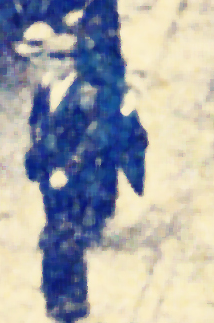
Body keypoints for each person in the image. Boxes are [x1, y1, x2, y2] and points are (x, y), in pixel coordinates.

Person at [23, 27, 148, 323]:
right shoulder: (45, 90)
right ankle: (54, 294)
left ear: (70, 61)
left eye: (58, 58)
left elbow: (92, 138)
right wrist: (37, 158)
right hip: (49, 174)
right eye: (50, 57)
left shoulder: (86, 95)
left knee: (69, 238)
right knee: (53, 232)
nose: (52, 64)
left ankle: (72, 300)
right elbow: (39, 125)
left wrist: (69, 170)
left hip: (73, 178)